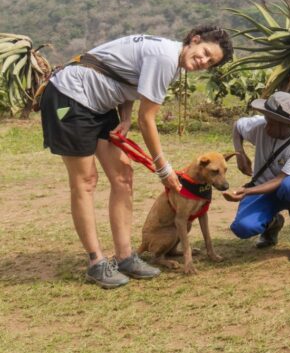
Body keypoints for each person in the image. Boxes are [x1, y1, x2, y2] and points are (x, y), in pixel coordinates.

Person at [39, 25, 232, 288]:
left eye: (210, 62)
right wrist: (163, 168)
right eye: (205, 53)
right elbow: (148, 118)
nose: (203, 61)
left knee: (123, 176)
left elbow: (127, 77)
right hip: (70, 96)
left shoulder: (172, 60)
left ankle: (125, 256)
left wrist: (125, 115)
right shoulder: (165, 56)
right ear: (195, 40)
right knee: (86, 181)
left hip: (100, 103)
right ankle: (96, 263)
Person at [223, 91, 290, 262]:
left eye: (272, 123)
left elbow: (281, 179)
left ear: (287, 125)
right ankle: (273, 223)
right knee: (242, 228)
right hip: (261, 187)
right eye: (267, 120)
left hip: (288, 188)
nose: (266, 127)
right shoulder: (259, 126)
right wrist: (240, 154)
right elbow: (237, 125)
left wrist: (246, 191)